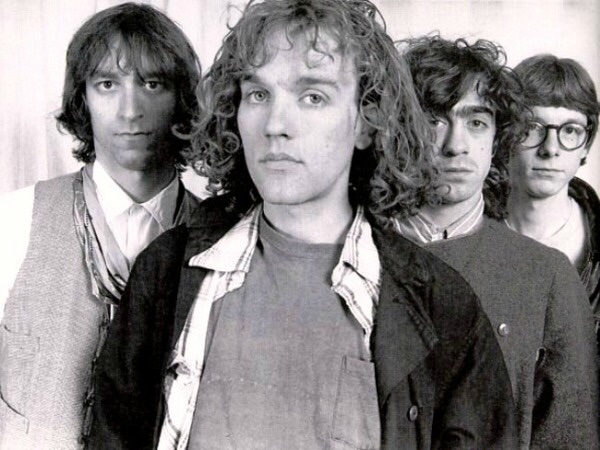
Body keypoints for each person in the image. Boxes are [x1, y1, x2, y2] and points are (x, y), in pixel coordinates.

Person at [89, 1, 517, 449]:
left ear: (367, 122)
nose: (276, 125)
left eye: (313, 96)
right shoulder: (165, 272)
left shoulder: (442, 308)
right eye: (258, 94)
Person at [0, 3, 201, 448]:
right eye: (107, 84)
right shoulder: (12, 221)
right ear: (82, 100)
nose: (130, 110)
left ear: (181, 99)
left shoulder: (221, 240)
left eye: (152, 84)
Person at [397, 35, 599, 448]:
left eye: (476, 122)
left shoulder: (548, 275)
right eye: (434, 120)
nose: (455, 146)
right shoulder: (354, 251)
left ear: (498, 138)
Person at [507, 54, 600, 343]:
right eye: (532, 128)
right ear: (507, 135)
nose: (550, 149)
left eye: (570, 130)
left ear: (586, 145)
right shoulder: (468, 231)